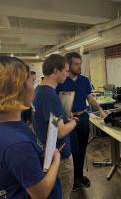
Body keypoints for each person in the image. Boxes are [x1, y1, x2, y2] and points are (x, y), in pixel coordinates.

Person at [0, 56, 61, 198]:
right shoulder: (18, 144)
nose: (34, 88)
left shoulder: (12, 127)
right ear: (18, 89)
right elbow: (40, 193)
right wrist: (56, 160)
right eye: (31, 82)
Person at [56, 52, 106, 191]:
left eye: (80, 63)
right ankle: (71, 180)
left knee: (83, 149)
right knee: (73, 151)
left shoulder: (84, 80)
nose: (79, 66)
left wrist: (100, 109)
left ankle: (79, 176)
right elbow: (55, 102)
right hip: (67, 121)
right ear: (68, 65)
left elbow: (89, 97)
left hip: (83, 118)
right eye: (76, 64)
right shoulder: (61, 81)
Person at [32, 54, 77, 199]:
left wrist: (64, 119)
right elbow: (60, 132)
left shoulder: (39, 90)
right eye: (65, 70)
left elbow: (52, 122)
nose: (67, 74)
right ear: (56, 71)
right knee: (64, 193)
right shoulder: (50, 95)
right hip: (60, 155)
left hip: (48, 152)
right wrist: (75, 121)